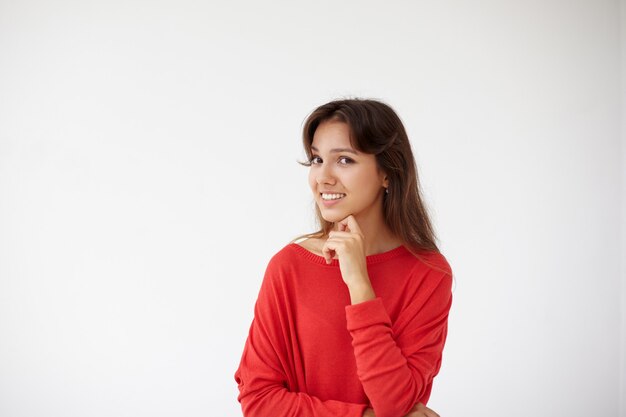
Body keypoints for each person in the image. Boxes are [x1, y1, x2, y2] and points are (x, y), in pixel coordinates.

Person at [234, 98, 454, 417]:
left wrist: (359, 284)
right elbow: (258, 399)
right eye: (316, 159)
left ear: (388, 173)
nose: (323, 177)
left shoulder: (429, 274)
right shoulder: (289, 267)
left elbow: (396, 405)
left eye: (345, 160)